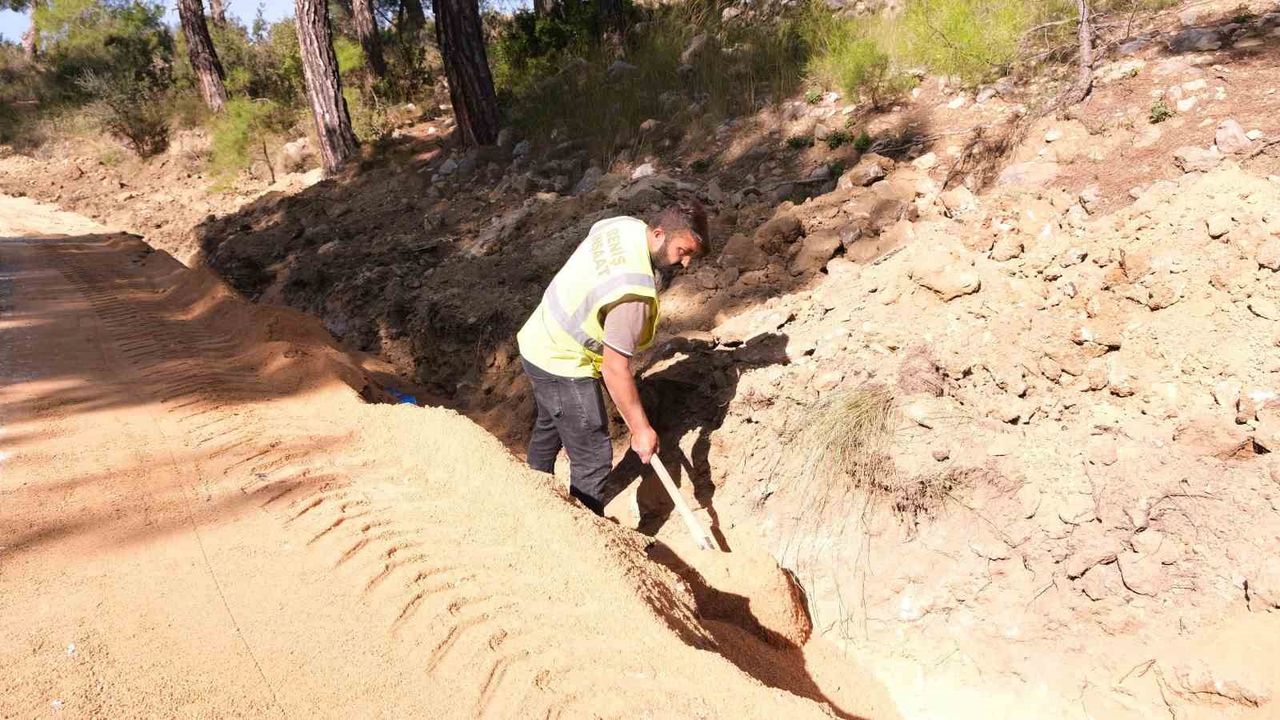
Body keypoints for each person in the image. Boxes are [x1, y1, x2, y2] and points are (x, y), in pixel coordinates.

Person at [516, 200, 709, 514]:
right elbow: (614, 368)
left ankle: (529, 498)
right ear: (659, 234)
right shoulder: (632, 295)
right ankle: (581, 533)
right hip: (562, 361)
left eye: (691, 256)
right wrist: (641, 430)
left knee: (551, 422)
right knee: (592, 456)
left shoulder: (622, 226)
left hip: (538, 337)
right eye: (682, 251)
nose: (685, 264)